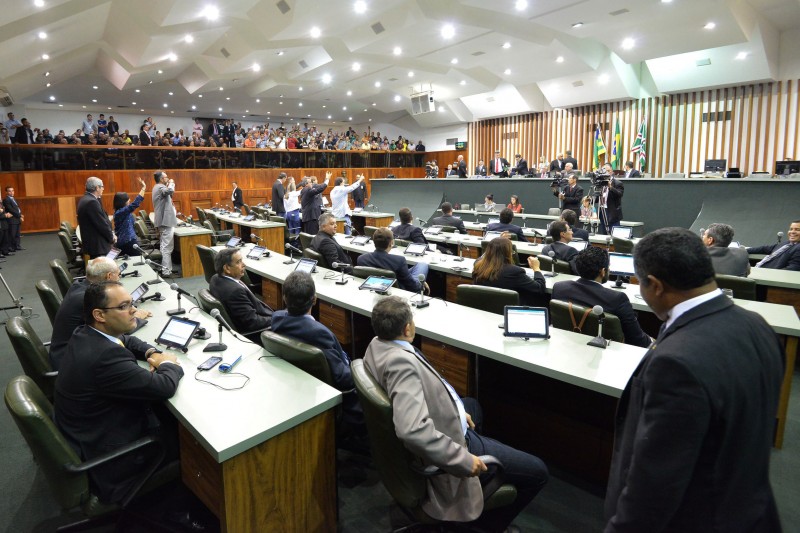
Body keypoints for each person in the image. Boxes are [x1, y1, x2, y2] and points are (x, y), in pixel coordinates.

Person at [604, 228, 783, 532]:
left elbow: (656, 482)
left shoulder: (675, 364)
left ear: (656, 286)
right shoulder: (759, 326)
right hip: (751, 510)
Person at [364, 296, 548, 531]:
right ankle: (485, 526)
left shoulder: (376, 345)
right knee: (539, 472)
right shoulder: (401, 362)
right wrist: (463, 460)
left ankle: (480, 487)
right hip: (448, 445)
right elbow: (412, 430)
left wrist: (458, 411)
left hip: (438, 427)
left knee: (472, 406)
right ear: (408, 327)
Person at [55, 281, 183, 504]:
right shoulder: (105, 358)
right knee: (193, 440)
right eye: (124, 306)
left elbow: (126, 339)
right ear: (100, 315)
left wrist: (151, 351)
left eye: (131, 304)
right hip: (114, 460)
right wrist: (168, 363)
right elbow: (164, 387)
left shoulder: (86, 332)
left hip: (89, 433)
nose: (133, 310)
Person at [270, 271, 364, 428]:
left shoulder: (277, 319)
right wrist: (363, 371)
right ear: (315, 299)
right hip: (339, 397)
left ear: (284, 298)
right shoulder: (319, 333)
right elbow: (343, 378)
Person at [49, 257, 152, 370]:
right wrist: (137, 318)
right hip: (70, 363)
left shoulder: (79, 285)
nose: (119, 278)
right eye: (119, 275)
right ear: (109, 276)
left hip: (71, 349)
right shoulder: (88, 299)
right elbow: (115, 327)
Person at [551, 247, 652, 348]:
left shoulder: (559, 288)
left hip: (568, 346)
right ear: (603, 271)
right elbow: (637, 340)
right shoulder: (617, 298)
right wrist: (652, 341)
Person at [209, 248, 273, 342]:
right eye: (238, 262)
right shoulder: (235, 291)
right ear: (227, 268)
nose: (244, 265)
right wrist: (277, 319)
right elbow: (252, 322)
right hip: (258, 333)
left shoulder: (215, 278)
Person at [473, 237, 545, 305]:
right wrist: (536, 268)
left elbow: (482, 258)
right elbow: (539, 288)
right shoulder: (515, 271)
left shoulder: (478, 265)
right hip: (507, 310)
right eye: (511, 251)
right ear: (507, 253)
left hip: (484, 308)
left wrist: (495, 244)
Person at [357, 228, 429, 292]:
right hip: (400, 291)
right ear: (391, 243)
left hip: (374, 288)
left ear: (374, 242)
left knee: (414, 269)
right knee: (423, 265)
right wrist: (421, 283)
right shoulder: (399, 261)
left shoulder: (361, 259)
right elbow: (413, 287)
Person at [77, 177, 115, 258]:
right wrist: (112, 237)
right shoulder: (92, 202)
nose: (103, 189)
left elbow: (102, 216)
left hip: (94, 244)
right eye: (102, 186)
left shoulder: (86, 199)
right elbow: (101, 224)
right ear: (97, 188)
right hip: (98, 247)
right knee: (104, 269)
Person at [152, 170, 177, 278]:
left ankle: (167, 269)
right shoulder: (160, 187)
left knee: (165, 246)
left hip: (164, 221)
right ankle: (166, 272)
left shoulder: (157, 187)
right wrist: (171, 182)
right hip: (165, 221)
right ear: (162, 179)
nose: (168, 178)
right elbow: (170, 190)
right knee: (167, 248)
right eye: (166, 177)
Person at [112, 178, 147, 257]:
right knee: (138, 260)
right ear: (123, 201)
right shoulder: (120, 212)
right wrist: (143, 188)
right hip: (128, 241)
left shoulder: (122, 212)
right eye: (128, 199)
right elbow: (135, 204)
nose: (129, 200)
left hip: (127, 240)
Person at [598, 163, 624, 235]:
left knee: (615, 234)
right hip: (602, 211)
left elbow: (619, 194)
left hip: (612, 212)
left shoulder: (618, 183)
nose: (607, 173)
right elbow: (599, 197)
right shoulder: (601, 183)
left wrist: (611, 187)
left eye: (608, 171)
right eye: (604, 171)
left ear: (612, 171)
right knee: (604, 234)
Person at [3, 186, 23, 251]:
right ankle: (10, 247)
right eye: (9, 191)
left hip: (16, 219)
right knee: (12, 234)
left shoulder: (13, 199)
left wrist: (20, 215)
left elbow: (17, 208)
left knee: (17, 234)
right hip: (12, 220)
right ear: (6, 192)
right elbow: (11, 210)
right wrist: (19, 215)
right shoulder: (6, 200)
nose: (12, 192)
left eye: (13, 190)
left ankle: (17, 246)